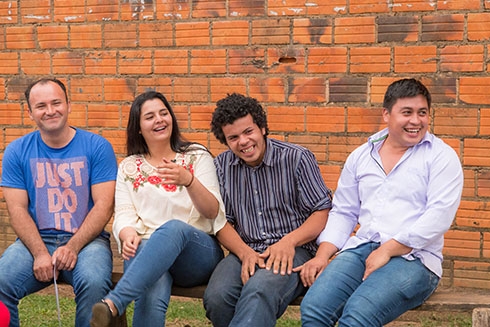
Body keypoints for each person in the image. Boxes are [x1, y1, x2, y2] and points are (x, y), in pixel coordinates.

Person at [297, 78, 464, 327]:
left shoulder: (441, 157)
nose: (416, 121)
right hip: (362, 249)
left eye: (422, 113)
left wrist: (386, 250)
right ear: (386, 114)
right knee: (314, 309)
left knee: (357, 316)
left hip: (415, 260)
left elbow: (438, 218)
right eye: (406, 112)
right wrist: (323, 255)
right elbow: (344, 212)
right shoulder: (361, 156)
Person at [89, 91, 226, 327]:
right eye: (150, 116)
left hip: (196, 254)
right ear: (139, 128)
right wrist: (126, 233)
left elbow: (212, 212)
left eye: (164, 113)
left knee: (173, 228)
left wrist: (189, 181)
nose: (160, 120)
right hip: (149, 255)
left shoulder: (196, 157)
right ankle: (114, 303)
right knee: (151, 285)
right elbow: (123, 213)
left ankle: (115, 301)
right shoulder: (129, 167)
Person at [203, 93, 333, 327]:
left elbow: (321, 211)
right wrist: (245, 253)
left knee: (259, 292)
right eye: (233, 137)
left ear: (262, 127)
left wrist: (288, 242)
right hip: (246, 249)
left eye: (248, 132)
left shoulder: (297, 158)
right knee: (217, 297)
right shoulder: (221, 166)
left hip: (296, 249)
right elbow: (222, 222)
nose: (243, 142)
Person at [0, 78, 118, 327]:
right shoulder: (16, 151)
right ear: (29, 112)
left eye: (56, 102)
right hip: (36, 240)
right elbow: (17, 209)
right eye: (41, 105)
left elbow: (104, 206)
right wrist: (40, 252)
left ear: (69, 105)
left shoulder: (97, 147)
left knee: (94, 283)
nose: (50, 110)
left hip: (87, 242)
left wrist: (73, 246)